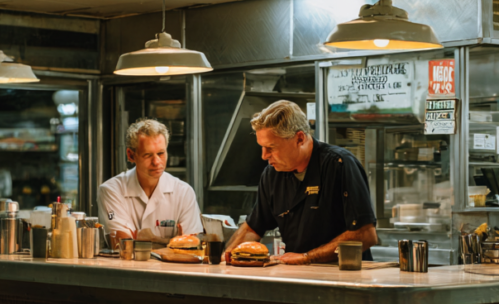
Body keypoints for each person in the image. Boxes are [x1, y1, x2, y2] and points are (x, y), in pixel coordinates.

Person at [223, 100, 378, 265]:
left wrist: (308, 257)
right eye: (261, 147)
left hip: (344, 275)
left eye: (271, 147)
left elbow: (365, 235)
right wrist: (226, 257)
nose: (264, 156)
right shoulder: (272, 174)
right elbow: (253, 227)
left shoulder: (339, 164)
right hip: (298, 277)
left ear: (299, 139)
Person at [98, 118, 202, 247]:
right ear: (131, 155)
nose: (157, 162)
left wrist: (140, 238)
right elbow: (123, 247)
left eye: (161, 153)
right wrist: (171, 243)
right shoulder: (111, 190)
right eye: (148, 155)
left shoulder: (184, 192)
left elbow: (191, 246)